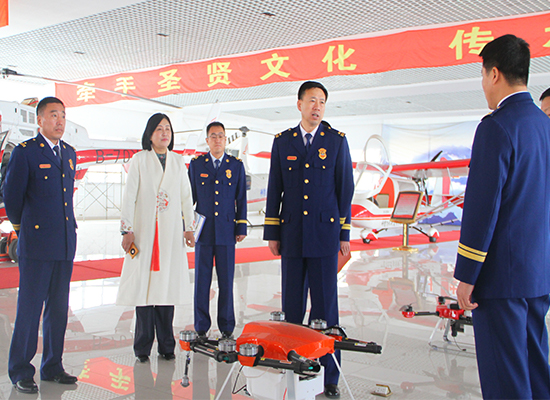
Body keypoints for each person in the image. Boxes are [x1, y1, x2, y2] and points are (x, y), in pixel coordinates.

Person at [454, 35, 550, 399]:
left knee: (505, 379)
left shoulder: (496, 127)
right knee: (535, 369)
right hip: (538, 275)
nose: (483, 84)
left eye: (482, 75)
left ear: (494, 74)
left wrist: (467, 275)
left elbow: (482, 208)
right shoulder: (544, 125)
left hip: (501, 280)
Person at [263, 81, 354, 399]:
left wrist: (344, 233)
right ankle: (294, 368)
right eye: (312, 100)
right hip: (291, 235)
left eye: (322, 102)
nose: (317, 106)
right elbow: (275, 187)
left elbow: (345, 189)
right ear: (299, 104)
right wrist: (272, 232)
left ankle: (329, 376)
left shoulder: (336, 141)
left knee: (326, 309)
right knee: (291, 308)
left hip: (325, 236)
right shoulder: (283, 141)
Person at [4, 97, 78, 393]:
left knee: (58, 308)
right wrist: (23, 229)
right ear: (39, 120)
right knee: (30, 308)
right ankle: (20, 370)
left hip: (64, 242)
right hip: (36, 244)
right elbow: (12, 197)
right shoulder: (26, 152)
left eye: (63, 115)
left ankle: (52, 366)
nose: (60, 121)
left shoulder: (69, 153)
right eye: (53, 115)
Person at [116, 113, 195, 363]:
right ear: (150, 134)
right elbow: (129, 196)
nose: (164, 133)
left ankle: (167, 345)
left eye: (168, 129)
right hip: (144, 234)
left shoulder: (178, 162)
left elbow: (186, 197)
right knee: (144, 289)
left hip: (170, 236)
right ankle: (142, 347)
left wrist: (189, 227)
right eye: (159, 129)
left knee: (166, 289)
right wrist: (127, 229)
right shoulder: (139, 160)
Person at [188, 121, 247, 339]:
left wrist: (241, 226)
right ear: (207, 140)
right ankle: (201, 326)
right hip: (203, 232)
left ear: (225, 139)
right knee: (202, 281)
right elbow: (189, 199)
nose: (217, 140)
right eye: (213, 136)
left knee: (226, 281)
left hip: (226, 231)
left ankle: (227, 327)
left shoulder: (236, 166)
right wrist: (188, 228)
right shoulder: (197, 165)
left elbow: (241, 198)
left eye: (221, 136)